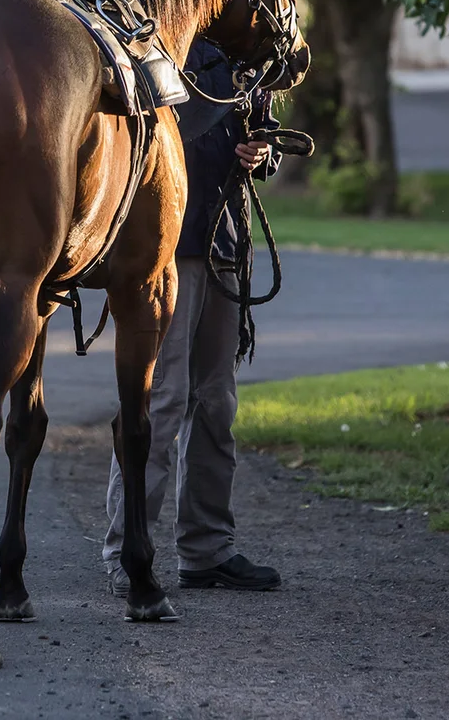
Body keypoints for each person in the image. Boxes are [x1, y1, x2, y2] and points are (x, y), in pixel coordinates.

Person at [102, 36, 282, 596]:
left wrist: (262, 151)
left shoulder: (243, 55)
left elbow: (263, 134)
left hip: (225, 241)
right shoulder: (157, 43)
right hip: (168, 248)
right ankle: (126, 549)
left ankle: (206, 549)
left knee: (216, 401)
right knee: (163, 399)